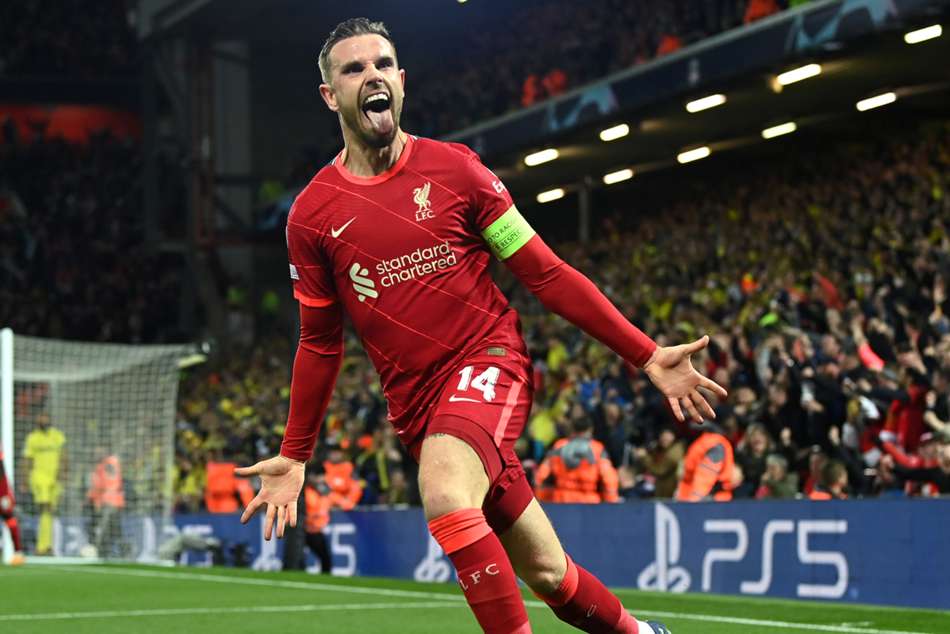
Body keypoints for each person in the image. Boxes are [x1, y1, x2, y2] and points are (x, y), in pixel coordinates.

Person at [236, 18, 725, 634]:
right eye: (354, 69)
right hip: (417, 408)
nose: (373, 76)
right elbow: (319, 342)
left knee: (444, 489)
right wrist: (295, 453)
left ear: (402, 81)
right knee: (548, 572)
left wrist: (645, 353)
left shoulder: (458, 171)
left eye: (383, 65)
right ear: (331, 96)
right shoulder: (312, 215)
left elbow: (545, 273)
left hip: (489, 362)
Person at [534, 419, 620, 503]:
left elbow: (541, 475)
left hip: (562, 500)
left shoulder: (559, 446)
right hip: (589, 502)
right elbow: (609, 478)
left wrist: (542, 500)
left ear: (571, 429)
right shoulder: (598, 448)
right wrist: (611, 502)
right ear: (590, 430)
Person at [20, 413, 66, 555]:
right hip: (39, 478)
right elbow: (27, 460)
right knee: (46, 508)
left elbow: (64, 455)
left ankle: (46, 546)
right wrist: (24, 479)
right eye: (41, 417)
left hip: (55, 479)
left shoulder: (57, 436)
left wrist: (63, 473)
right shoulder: (32, 438)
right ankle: (43, 547)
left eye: (46, 417)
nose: (43, 420)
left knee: (49, 512)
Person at [675, 427, 736, 502]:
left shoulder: (713, 444)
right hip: (700, 498)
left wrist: (694, 502)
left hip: (709, 500)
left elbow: (706, 476)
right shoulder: (712, 442)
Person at [86, 448, 125, 558]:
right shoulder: (105, 464)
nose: (96, 453)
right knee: (114, 531)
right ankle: (124, 551)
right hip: (112, 502)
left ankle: (99, 553)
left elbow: (105, 485)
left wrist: (95, 499)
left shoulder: (109, 463)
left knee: (103, 529)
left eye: (99, 450)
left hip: (110, 503)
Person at [0, 449, 26, 565]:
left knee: (9, 518)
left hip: (2, 490)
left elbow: (1, 469)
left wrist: (4, 492)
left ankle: (18, 553)